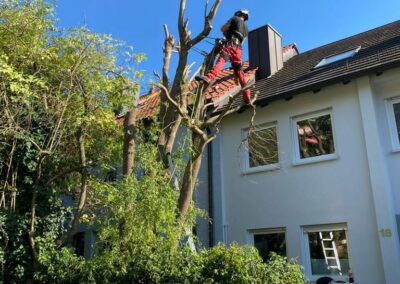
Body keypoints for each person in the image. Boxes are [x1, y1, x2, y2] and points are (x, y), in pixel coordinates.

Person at [195, 9, 253, 104]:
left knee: (221, 61)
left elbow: (223, 29)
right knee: (240, 73)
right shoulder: (247, 30)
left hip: (230, 45)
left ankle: (209, 77)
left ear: (239, 14)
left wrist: (226, 31)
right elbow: (242, 42)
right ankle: (247, 96)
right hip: (238, 50)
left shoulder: (234, 18)